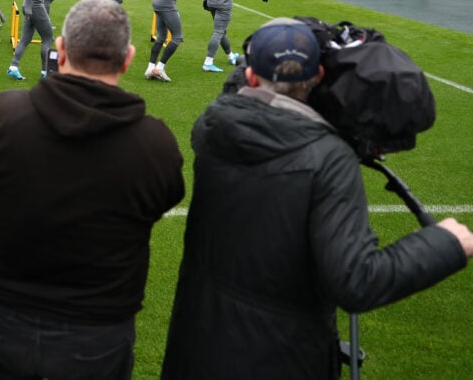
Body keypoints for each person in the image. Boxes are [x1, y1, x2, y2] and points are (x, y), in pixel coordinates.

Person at [162, 19, 473, 379]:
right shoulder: (328, 157)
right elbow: (357, 280)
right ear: (319, 74)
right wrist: (445, 242)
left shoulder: (214, 127)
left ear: (249, 77)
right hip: (280, 356)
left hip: (196, 344)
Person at [0, 0, 185, 380]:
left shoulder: (1, 115)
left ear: (60, 50)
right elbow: (160, 202)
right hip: (98, 328)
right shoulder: (154, 142)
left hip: (5, 316)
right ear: (127, 58)